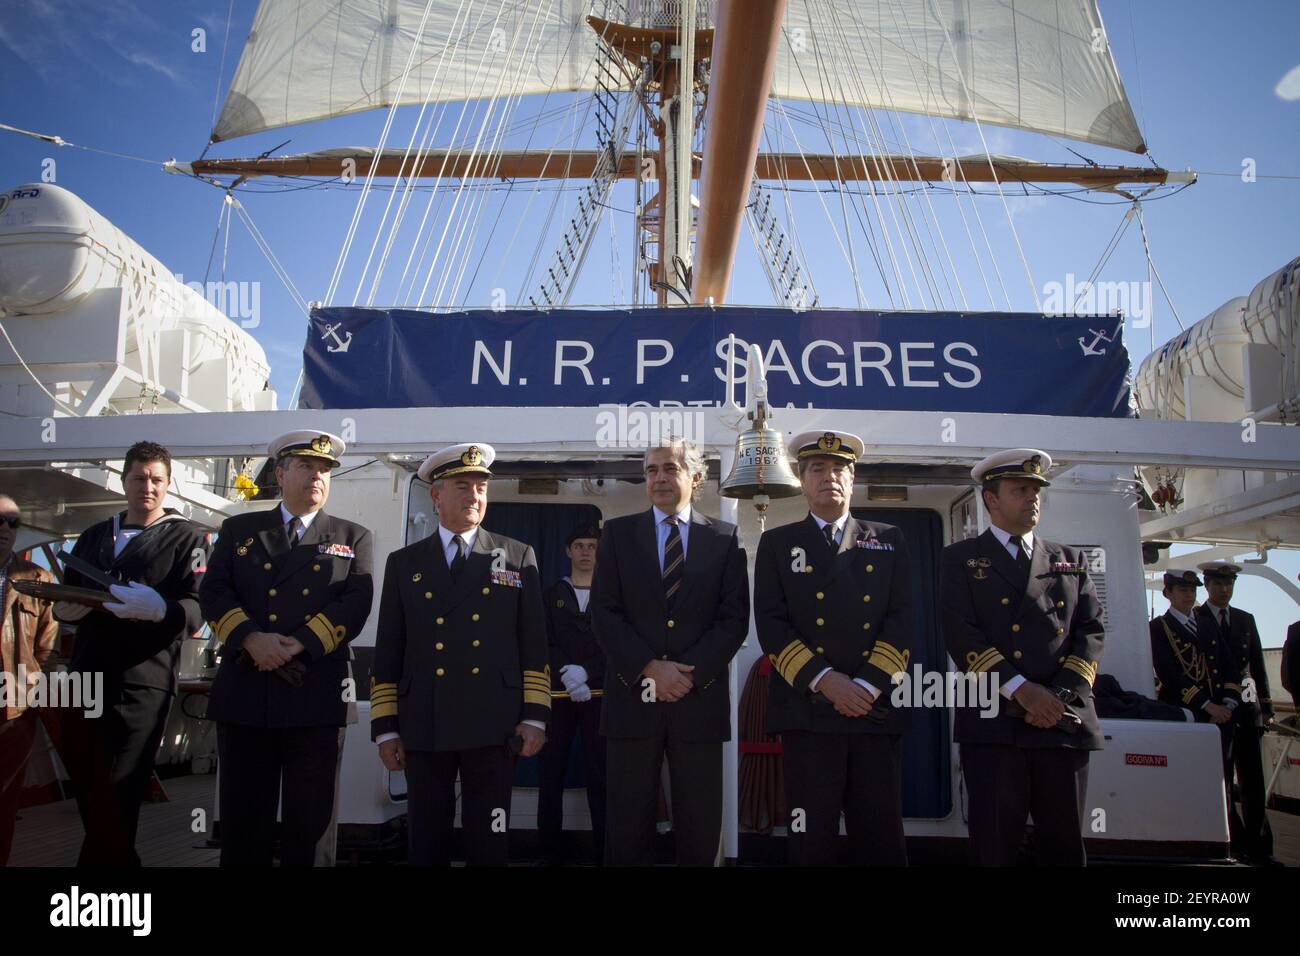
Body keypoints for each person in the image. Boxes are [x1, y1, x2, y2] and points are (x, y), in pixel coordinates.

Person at [370, 442, 549, 866]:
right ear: (435, 496)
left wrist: (534, 716)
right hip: (424, 720)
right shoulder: (404, 563)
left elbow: (534, 643)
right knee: (426, 837)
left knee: (489, 836)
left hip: (494, 722)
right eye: (462, 486)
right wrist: (386, 728)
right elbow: (390, 647)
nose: (474, 496)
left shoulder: (518, 556)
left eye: (481, 487)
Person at [200, 431, 374, 866]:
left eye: (325, 470)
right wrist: (252, 639)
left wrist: (297, 643)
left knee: (310, 824)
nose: (317, 476)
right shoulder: (240, 529)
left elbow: (355, 604)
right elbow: (215, 592)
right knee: (244, 821)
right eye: (306, 467)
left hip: (314, 694)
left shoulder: (353, 537)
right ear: (279, 474)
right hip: (247, 689)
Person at [940, 448, 1105, 866]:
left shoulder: (1071, 560)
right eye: (1020, 490)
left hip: (1062, 723)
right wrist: (1023, 692)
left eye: (1035, 490)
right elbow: (962, 635)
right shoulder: (959, 560)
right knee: (994, 846)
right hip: (996, 723)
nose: (1032, 498)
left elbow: (1090, 633)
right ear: (990, 500)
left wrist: (1057, 697)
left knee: (1064, 845)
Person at [754, 430, 913, 866]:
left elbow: (902, 621)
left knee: (879, 834)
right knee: (810, 837)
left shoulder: (890, 539)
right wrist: (827, 682)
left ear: (853, 477)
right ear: (803, 481)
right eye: (817, 470)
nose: (829, 477)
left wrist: (865, 686)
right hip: (808, 714)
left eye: (839, 468)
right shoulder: (778, 544)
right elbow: (772, 625)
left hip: (873, 710)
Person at [592, 438, 749, 866]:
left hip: (697, 701)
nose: (659, 477)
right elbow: (604, 612)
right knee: (626, 824)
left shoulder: (724, 539)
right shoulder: (617, 535)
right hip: (632, 700)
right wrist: (647, 668)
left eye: (670, 468)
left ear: (695, 477)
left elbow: (733, 620)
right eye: (651, 470)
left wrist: (687, 676)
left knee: (700, 825)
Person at [55, 441, 206, 866]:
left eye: (157, 479)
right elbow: (70, 593)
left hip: (142, 682)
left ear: (169, 484)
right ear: (123, 481)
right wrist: (65, 611)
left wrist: (163, 610)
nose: (148, 487)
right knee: (88, 782)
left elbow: (199, 606)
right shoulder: (92, 537)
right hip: (85, 678)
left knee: (121, 789)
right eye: (139, 477)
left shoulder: (188, 538)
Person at [1149, 568, 1246, 850]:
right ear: (1168, 594)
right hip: (1187, 714)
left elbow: (1229, 666)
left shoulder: (1206, 624)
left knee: (1223, 780)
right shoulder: (1159, 628)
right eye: (1182, 590)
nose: (1188, 595)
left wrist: (1228, 701)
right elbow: (1170, 674)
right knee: (1186, 779)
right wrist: (1207, 705)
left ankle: (1228, 840)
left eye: (1191, 590)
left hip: (1220, 714)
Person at [1198, 560, 1277, 865]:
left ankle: (1261, 846)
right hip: (1216, 709)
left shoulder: (1245, 619)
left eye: (1228, 584)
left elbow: (1255, 668)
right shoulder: (1197, 618)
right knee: (1221, 780)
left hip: (1247, 706)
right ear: (1207, 586)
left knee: (1253, 782)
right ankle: (1234, 841)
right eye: (1218, 584)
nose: (1224, 589)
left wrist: (1265, 707)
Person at [538, 523, 607, 865]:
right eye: (578, 545)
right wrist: (568, 674)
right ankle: (548, 851)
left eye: (591, 546)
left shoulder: (611, 596)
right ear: (567, 551)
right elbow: (543, 640)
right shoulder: (552, 595)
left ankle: (604, 851)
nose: (584, 552)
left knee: (600, 775)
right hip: (559, 696)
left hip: (599, 697)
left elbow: (616, 642)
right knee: (551, 773)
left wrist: (588, 673)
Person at [0, 495, 59, 865]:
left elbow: (47, 649)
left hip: (13, 713)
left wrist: (28, 691)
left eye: (12, 523)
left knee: (4, 805)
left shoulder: (38, 581)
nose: (5, 529)